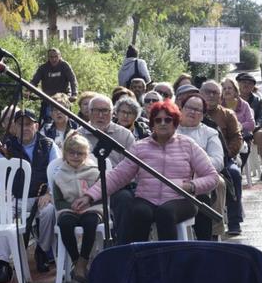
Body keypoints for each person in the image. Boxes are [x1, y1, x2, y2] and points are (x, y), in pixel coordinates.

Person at [72, 100, 219, 242]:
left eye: (167, 120)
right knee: (138, 212)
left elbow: (212, 177)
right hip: (147, 198)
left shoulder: (188, 145)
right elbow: (117, 176)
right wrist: (89, 196)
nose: (162, 123)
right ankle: (140, 261)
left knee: (165, 213)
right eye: (158, 120)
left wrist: (190, 186)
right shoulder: (139, 147)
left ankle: (169, 262)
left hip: (181, 200)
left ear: (175, 122)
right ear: (152, 123)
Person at [1, 108, 60, 274]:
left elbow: (56, 171)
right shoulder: (7, 146)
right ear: (14, 127)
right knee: (2, 214)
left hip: (41, 196)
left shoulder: (48, 144)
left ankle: (42, 250)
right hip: (17, 197)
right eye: (20, 124)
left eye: (28, 124)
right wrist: (4, 192)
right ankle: (3, 262)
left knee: (49, 212)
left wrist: (49, 193)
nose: (24, 128)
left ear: (36, 126)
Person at [79, 95, 136, 241]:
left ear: (112, 113)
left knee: (125, 199)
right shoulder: (78, 135)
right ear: (89, 112)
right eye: (96, 110)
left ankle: (122, 246)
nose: (100, 115)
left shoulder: (124, 135)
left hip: (118, 186)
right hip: (86, 187)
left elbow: (133, 168)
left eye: (105, 111)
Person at [53, 133, 103, 283]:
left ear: (86, 154)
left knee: (90, 223)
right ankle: (77, 261)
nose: (75, 156)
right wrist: (71, 207)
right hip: (69, 210)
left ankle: (83, 260)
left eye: (80, 153)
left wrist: (88, 203)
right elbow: (58, 201)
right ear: (65, 154)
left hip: (91, 208)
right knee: (65, 224)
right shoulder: (59, 175)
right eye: (71, 152)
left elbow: (102, 194)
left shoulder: (94, 172)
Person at [177, 94, 226, 240]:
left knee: (218, 183)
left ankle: (214, 231)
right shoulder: (171, 128)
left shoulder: (210, 133)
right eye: (189, 108)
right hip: (176, 176)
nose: (192, 112)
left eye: (198, 110)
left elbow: (218, 160)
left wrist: (197, 167)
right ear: (181, 109)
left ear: (203, 115)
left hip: (204, 174)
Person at [200, 80, 246, 235]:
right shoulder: (194, 112)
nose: (211, 95)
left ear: (221, 97)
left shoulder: (227, 114)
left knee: (234, 175)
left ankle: (234, 221)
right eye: (208, 92)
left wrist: (227, 154)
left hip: (224, 160)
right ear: (200, 93)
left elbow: (237, 138)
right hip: (198, 161)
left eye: (215, 93)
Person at [236, 73, 262, 182]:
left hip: (251, 129)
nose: (246, 85)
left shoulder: (257, 100)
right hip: (234, 131)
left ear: (253, 86)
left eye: (249, 83)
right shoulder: (232, 98)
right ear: (239, 84)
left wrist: (255, 126)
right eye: (243, 83)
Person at [31, 48, 78, 121]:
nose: (54, 59)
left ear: (59, 56)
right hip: (48, 99)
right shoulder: (43, 68)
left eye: (56, 56)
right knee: (45, 121)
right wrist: (28, 90)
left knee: (67, 121)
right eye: (51, 57)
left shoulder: (65, 66)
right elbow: (34, 81)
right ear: (48, 57)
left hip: (63, 99)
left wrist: (74, 94)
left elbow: (72, 80)